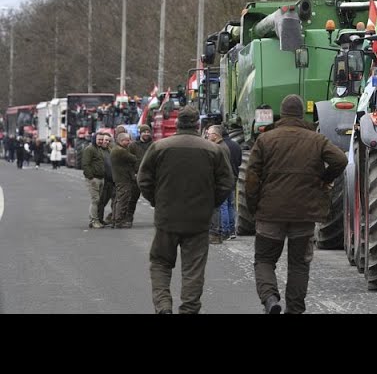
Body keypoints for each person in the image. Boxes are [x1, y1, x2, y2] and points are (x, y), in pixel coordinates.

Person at [246, 94, 347, 314]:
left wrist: (254, 207)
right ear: (302, 114)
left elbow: (252, 177)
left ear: (282, 113)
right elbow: (341, 160)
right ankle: (295, 309)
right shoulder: (317, 139)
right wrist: (325, 178)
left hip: (270, 213)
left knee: (264, 260)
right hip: (304, 214)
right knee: (299, 265)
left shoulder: (265, 139)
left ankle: (270, 298)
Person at [138, 106, 234, 314]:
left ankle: (163, 306)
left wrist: (157, 201)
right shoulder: (213, 150)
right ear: (198, 125)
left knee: (161, 263)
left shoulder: (159, 147)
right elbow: (226, 183)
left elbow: (144, 180)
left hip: (167, 218)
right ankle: (189, 309)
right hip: (198, 220)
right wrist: (210, 203)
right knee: (193, 269)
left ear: (178, 124)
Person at [204, 124, 230, 245]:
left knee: (217, 208)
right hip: (219, 182)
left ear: (215, 136)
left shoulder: (220, 148)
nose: (207, 136)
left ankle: (216, 233)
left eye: (208, 134)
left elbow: (222, 168)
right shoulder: (220, 146)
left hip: (218, 183)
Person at [110, 132, 138, 228]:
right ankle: (119, 221)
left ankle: (114, 220)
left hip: (119, 178)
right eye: (127, 140)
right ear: (121, 141)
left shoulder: (116, 149)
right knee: (123, 200)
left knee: (118, 200)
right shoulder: (120, 151)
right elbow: (133, 158)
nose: (129, 142)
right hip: (123, 179)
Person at [127, 124, 153, 223]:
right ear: (140, 133)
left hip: (150, 176)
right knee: (132, 198)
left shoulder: (153, 145)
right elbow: (128, 161)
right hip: (136, 176)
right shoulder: (133, 146)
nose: (146, 134)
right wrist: (132, 174)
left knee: (156, 199)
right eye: (144, 132)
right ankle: (129, 218)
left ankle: (160, 219)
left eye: (148, 132)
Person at [82, 132, 106, 229]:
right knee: (95, 200)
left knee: (97, 200)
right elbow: (85, 164)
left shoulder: (99, 149)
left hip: (100, 178)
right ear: (94, 139)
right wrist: (91, 177)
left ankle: (94, 220)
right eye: (99, 139)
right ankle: (94, 221)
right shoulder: (90, 149)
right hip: (94, 179)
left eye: (101, 139)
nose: (100, 141)